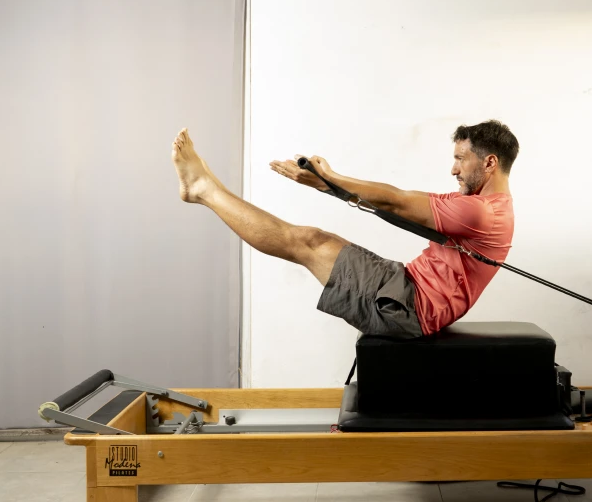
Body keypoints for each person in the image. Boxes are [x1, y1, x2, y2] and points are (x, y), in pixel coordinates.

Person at [171, 120, 518, 339]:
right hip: (405, 284)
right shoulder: (484, 205)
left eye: (461, 159)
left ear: (489, 162)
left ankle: (203, 189)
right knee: (320, 240)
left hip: (408, 308)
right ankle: (208, 187)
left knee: (306, 242)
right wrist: (326, 185)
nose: (454, 169)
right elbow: (397, 205)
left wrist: (331, 177)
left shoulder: (482, 213)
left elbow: (397, 201)